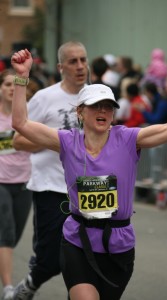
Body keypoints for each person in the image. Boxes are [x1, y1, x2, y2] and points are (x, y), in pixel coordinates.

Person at [11, 48, 167, 300]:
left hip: (118, 244)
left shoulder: (129, 139)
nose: (102, 111)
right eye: (95, 106)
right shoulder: (67, 141)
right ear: (80, 112)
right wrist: (22, 77)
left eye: (108, 107)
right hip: (78, 239)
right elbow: (21, 124)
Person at [12, 42, 88, 299]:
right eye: (73, 61)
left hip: (88, 189)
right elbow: (18, 140)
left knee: (86, 258)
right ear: (60, 67)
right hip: (51, 187)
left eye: (83, 60)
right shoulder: (46, 97)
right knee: (50, 259)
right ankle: (31, 284)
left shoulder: (97, 96)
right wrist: (61, 143)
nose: (80, 66)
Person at [0, 69, 32, 300]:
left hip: (24, 182)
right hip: (0, 181)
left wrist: (24, 143)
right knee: (7, 233)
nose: (12, 88)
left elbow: (40, 143)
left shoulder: (28, 116)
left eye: (16, 84)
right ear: (0, 89)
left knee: (15, 235)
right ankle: (9, 287)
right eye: (7, 84)